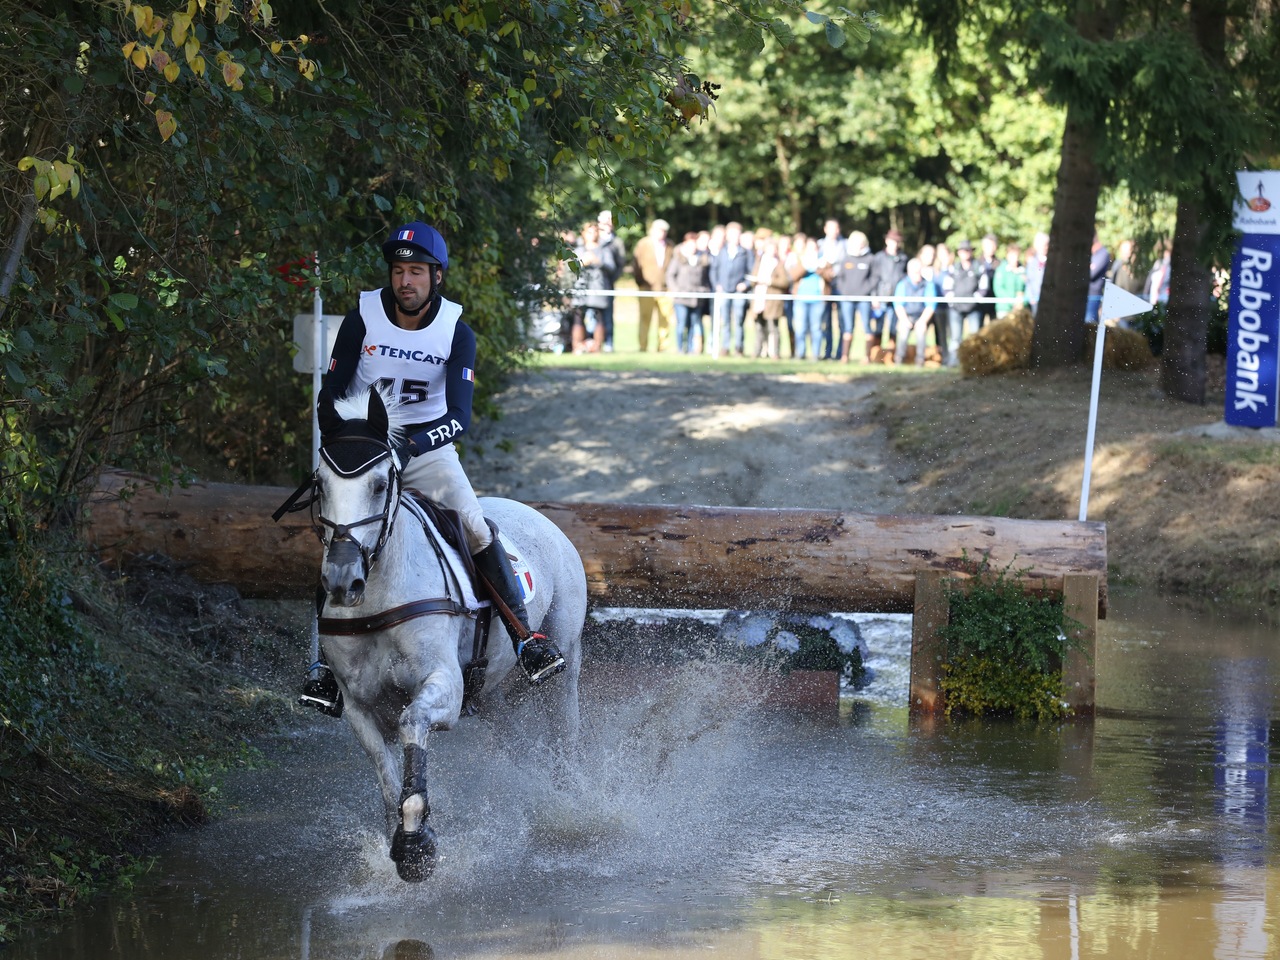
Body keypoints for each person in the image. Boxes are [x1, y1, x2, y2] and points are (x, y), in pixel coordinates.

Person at [299, 222, 566, 716]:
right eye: (399, 271)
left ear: (436, 276)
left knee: (474, 525)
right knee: (340, 530)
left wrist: (410, 447)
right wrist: (347, 442)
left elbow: (459, 417)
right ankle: (322, 669)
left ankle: (527, 638)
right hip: (365, 447)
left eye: (416, 271)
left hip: (427, 450)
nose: (406, 281)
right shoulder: (362, 319)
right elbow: (331, 395)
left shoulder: (457, 332)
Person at [571, 220, 618, 353]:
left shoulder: (604, 249)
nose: (592, 235)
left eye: (595, 231)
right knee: (578, 317)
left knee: (599, 319)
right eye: (589, 232)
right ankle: (577, 346)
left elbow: (612, 267)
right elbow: (569, 268)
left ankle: (597, 347)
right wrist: (581, 263)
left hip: (598, 288)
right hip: (581, 288)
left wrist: (598, 262)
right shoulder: (578, 250)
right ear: (584, 233)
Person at [833, 230, 877, 364]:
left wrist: (865, 290)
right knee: (847, 327)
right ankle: (845, 356)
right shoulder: (846, 258)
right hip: (847, 299)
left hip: (864, 299)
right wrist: (844, 291)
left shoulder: (870, 259)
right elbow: (839, 278)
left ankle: (867, 357)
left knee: (867, 327)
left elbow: (874, 278)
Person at [710, 221, 752, 356]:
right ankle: (725, 347)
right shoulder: (721, 252)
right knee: (725, 321)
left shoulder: (745, 253)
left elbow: (751, 272)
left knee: (739, 320)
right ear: (727, 235)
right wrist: (717, 284)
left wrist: (745, 284)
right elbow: (714, 270)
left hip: (739, 292)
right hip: (724, 291)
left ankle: (739, 347)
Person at [631, 219, 674, 351]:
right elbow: (636, 265)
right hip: (646, 288)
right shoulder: (643, 244)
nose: (663, 233)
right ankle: (642, 346)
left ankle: (663, 347)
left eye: (665, 231)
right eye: (660, 230)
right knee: (645, 318)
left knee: (664, 320)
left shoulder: (670, 245)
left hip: (665, 289)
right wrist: (641, 283)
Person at [666, 231, 710, 354]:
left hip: (696, 298)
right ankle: (680, 348)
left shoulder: (702, 259)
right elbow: (670, 276)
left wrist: (703, 290)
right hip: (681, 298)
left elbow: (706, 279)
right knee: (681, 324)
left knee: (692, 324)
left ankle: (690, 348)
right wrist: (676, 290)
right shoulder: (678, 259)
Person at [893, 257, 938, 366]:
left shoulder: (928, 285)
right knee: (903, 332)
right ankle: (899, 359)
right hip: (906, 315)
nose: (917, 274)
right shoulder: (902, 284)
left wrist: (922, 321)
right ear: (909, 271)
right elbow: (898, 305)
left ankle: (920, 360)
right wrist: (904, 320)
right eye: (915, 272)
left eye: (919, 271)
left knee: (921, 332)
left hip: (922, 316)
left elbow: (931, 305)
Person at [870, 229, 907, 359]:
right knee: (878, 328)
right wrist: (874, 297)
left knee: (893, 329)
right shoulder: (879, 258)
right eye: (893, 241)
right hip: (881, 297)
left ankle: (890, 357)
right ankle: (876, 356)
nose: (895, 244)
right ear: (887, 241)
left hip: (896, 299)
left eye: (897, 241)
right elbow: (874, 278)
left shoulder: (903, 258)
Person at [947, 239, 983, 367]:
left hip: (973, 307)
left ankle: (974, 362)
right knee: (955, 337)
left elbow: (983, 285)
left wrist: (977, 297)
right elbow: (948, 286)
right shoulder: (954, 268)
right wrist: (951, 299)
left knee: (974, 337)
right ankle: (953, 362)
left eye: (968, 250)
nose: (965, 253)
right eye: (963, 251)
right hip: (956, 307)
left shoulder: (978, 267)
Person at [596, 210, 626, 351]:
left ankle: (609, 343)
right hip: (592, 283)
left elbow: (620, 265)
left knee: (608, 315)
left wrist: (611, 279)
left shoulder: (617, 242)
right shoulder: (593, 239)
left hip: (608, 284)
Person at [992, 242, 1026, 318]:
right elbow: (998, 289)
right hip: (1004, 308)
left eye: (1016, 255)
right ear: (1007, 255)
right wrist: (1012, 302)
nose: (1014, 257)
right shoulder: (1001, 270)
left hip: (1020, 309)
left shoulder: (1023, 270)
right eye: (1012, 255)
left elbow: (1025, 289)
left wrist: (1022, 302)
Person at [1085, 233, 1111, 324]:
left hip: (1093, 297)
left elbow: (1091, 274)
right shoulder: (1087, 252)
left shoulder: (1103, 253)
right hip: (1083, 296)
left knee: (1090, 325)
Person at [1024, 231, 1049, 316]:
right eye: (1042, 245)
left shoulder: (1053, 262)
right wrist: (1031, 297)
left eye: (1046, 244)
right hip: (1035, 300)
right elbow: (1029, 281)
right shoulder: (1032, 262)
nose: (1044, 247)